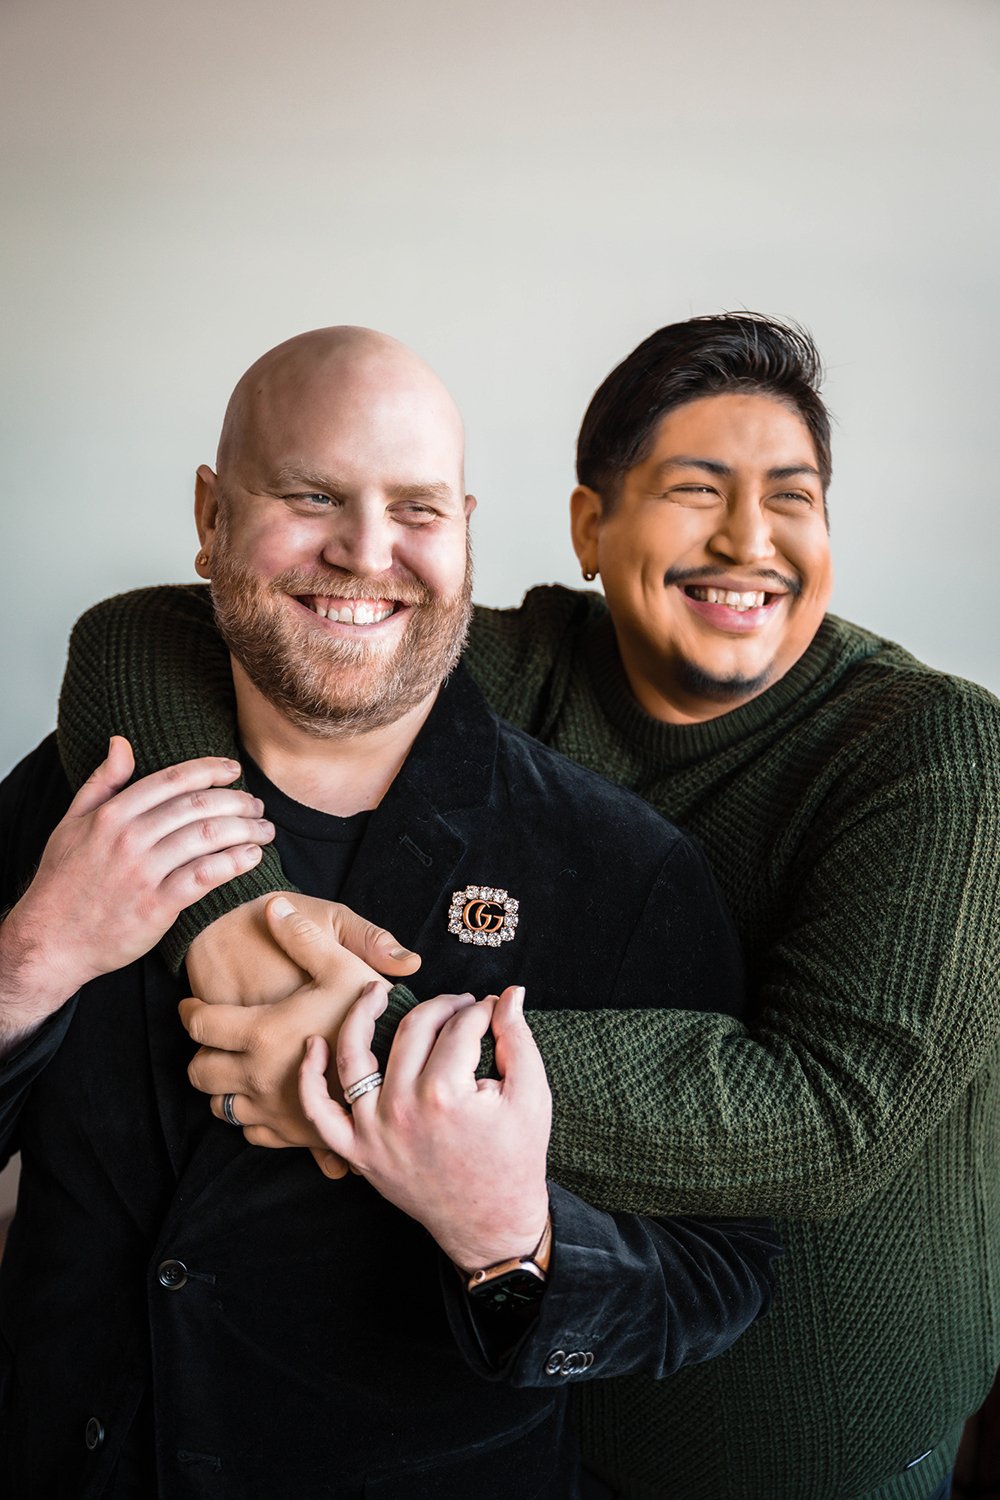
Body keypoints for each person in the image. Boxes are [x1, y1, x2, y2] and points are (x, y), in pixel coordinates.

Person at [59, 313, 1000, 1500]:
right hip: (547, 1407)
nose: (747, 540)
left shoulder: (932, 748)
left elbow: (832, 1114)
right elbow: (146, 635)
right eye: (695, 490)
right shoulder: (527, 665)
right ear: (588, 530)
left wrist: (376, 1054)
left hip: (808, 1447)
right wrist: (236, 921)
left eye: (793, 498)